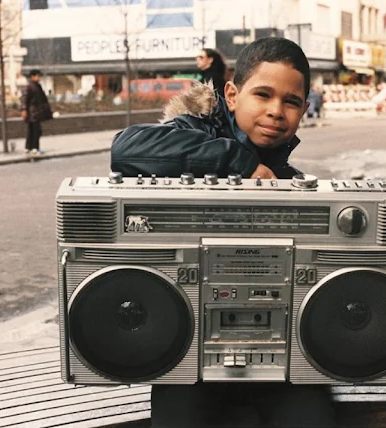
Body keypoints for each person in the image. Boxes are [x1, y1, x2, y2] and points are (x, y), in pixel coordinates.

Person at [111, 38, 337, 427]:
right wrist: (238, 162)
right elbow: (126, 148)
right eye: (262, 94)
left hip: (281, 364)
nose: (276, 111)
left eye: (291, 102)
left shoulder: (289, 180)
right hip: (187, 361)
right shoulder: (195, 131)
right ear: (231, 95)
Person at [20, 69, 53, 155]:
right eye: (37, 76)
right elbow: (25, 98)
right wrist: (24, 109)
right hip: (33, 112)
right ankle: (34, 147)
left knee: (33, 130)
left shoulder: (36, 86)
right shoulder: (31, 87)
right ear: (32, 77)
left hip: (35, 112)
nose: (39, 78)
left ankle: (29, 147)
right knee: (35, 130)